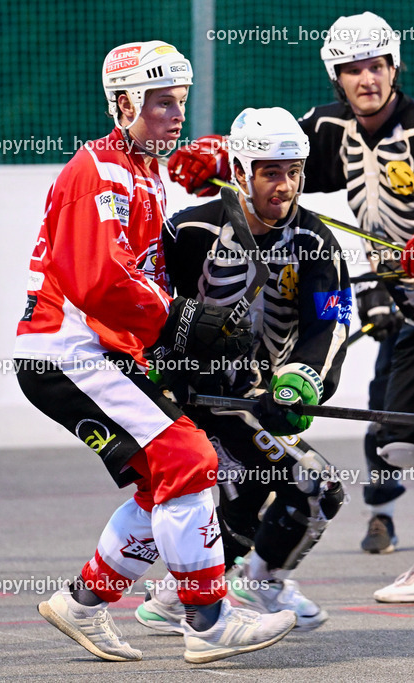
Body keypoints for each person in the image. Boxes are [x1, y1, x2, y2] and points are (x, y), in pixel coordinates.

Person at [167, 13, 414, 605]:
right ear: (336, 77)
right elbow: (270, 159)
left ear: (395, 68)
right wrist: (212, 159)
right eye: (352, 69)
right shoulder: (327, 128)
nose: (366, 79)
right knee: (398, 440)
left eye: (376, 66)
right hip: (407, 307)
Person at [13, 41, 297, 664]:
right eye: (160, 103)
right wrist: (179, 318)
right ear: (122, 104)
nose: (174, 115)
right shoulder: (99, 172)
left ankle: (83, 602)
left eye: (180, 103)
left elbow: (201, 163)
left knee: (162, 484)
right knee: (188, 457)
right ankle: (208, 619)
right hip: (70, 352)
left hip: (101, 351)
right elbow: (98, 280)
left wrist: (217, 153)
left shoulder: (144, 168)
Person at [133, 107, 349, 635]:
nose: (286, 186)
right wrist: (156, 371)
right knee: (315, 485)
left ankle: (178, 596)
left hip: (259, 399)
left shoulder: (318, 243)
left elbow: (332, 324)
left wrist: (302, 378)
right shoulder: (188, 231)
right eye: (271, 172)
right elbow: (141, 306)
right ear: (240, 170)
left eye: (294, 171)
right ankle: (256, 584)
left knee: (256, 491)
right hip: (194, 402)